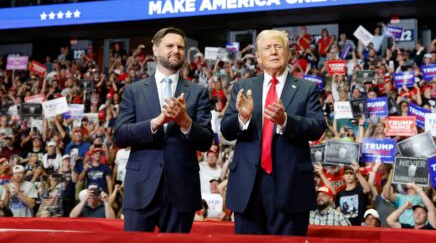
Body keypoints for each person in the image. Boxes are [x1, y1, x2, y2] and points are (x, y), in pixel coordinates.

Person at [220, 29, 326, 236]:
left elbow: (317, 127)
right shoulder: (243, 86)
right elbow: (226, 130)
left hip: (291, 185)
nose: (274, 51)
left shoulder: (306, 88)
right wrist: (243, 118)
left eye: (279, 46)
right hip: (248, 186)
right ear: (258, 57)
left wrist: (285, 120)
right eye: (267, 48)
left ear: (288, 54)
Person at [114, 27, 213, 233]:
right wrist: (157, 122)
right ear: (156, 49)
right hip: (141, 188)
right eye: (170, 45)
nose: (176, 50)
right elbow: (120, 135)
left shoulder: (198, 93)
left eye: (180, 47)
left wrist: (185, 121)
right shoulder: (134, 90)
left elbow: (206, 141)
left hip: (182, 190)